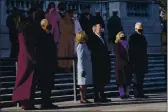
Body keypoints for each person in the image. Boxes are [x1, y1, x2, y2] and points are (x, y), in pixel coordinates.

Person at [12, 14, 36, 110]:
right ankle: (26, 103)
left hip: (22, 56)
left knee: (23, 79)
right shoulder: (25, 31)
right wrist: (32, 57)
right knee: (28, 80)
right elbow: (27, 46)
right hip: (27, 57)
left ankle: (25, 102)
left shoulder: (20, 31)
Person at [35, 19, 58, 109]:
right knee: (44, 84)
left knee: (50, 84)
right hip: (43, 64)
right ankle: (44, 102)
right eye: (48, 25)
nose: (49, 27)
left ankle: (48, 101)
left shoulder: (49, 35)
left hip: (50, 64)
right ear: (43, 26)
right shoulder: (41, 35)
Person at [88, 23, 111, 103]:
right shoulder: (92, 38)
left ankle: (102, 95)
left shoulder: (102, 38)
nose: (101, 29)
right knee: (97, 80)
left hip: (103, 62)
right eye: (99, 28)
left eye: (101, 28)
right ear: (94, 29)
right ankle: (96, 97)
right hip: (97, 62)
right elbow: (93, 49)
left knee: (102, 80)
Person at [128, 22, 148, 98]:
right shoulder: (133, 37)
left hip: (142, 61)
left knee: (141, 78)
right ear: (136, 28)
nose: (141, 29)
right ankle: (136, 93)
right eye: (140, 28)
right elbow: (131, 50)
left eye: (142, 28)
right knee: (136, 79)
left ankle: (141, 93)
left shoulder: (143, 37)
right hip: (136, 61)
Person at [114, 31, 132, 99]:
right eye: (121, 36)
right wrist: (123, 62)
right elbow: (117, 54)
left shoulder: (126, 44)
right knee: (120, 80)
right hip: (120, 65)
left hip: (127, 64)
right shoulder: (117, 44)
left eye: (123, 35)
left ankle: (127, 94)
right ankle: (122, 94)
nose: (122, 37)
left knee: (127, 80)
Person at [76, 31, 92, 103]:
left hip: (86, 66)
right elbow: (80, 58)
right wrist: (82, 70)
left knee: (85, 84)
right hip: (82, 68)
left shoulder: (84, 45)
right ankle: (82, 98)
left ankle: (84, 97)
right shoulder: (80, 46)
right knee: (82, 84)